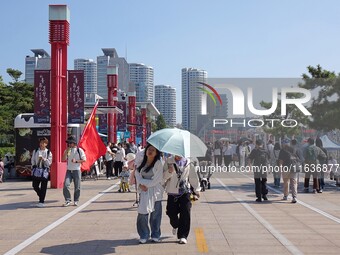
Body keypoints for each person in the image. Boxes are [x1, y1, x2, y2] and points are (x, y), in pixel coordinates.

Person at [163, 155, 201, 244]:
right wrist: (169, 171)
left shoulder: (188, 162)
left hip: (185, 192)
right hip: (172, 192)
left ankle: (183, 236)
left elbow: (193, 177)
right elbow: (163, 177)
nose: (178, 155)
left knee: (186, 212)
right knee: (171, 212)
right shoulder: (169, 161)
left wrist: (197, 189)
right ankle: (175, 225)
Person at [135, 144, 164, 244]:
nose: (150, 151)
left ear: (156, 153)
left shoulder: (158, 163)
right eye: (149, 149)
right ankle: (144, 234)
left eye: (153, 150)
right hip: (144, 192)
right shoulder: (140, 162)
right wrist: (141, 185)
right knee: (142, 214)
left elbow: (157, 179)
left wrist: (144, 184)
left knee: (155, 215)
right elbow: (137, 175)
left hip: (156, 192)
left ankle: (155, 234)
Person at [62, 136, 86, 207]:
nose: (69, 144)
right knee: (66, 185)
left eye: (70, 143)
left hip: (77, 170)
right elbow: (63, 159)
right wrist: (66, 151)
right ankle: (67, 200)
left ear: (74, 143)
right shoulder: (68, 150)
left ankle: (76, 200)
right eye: (68, 143)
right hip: (69, 170)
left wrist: (76, 161)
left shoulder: (79, 150)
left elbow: (84, 159)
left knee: (77, 186)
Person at [31, 137, 53, 207]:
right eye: (40, 143)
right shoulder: (36, 150)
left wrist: (44, 159)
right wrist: (33, 165)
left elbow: (49, 163)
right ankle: (41, 195)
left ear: (46, 144)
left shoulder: (48, 152)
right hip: (37, 170)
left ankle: (41, 201)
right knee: (35, 186)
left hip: (44, 171)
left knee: (43, 186)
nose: (41, 144)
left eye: (43, 143)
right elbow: (33, 159)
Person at [278, 139, 299, 203]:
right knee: (294, 182)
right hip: (294, 167)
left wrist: (280, 168)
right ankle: (294, 197)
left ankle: (285, 196)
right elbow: (299, 159)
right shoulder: (294, 149)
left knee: (286, 182)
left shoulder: (282, 151)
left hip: (286, 168)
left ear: (283, 144)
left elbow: (281, 160)